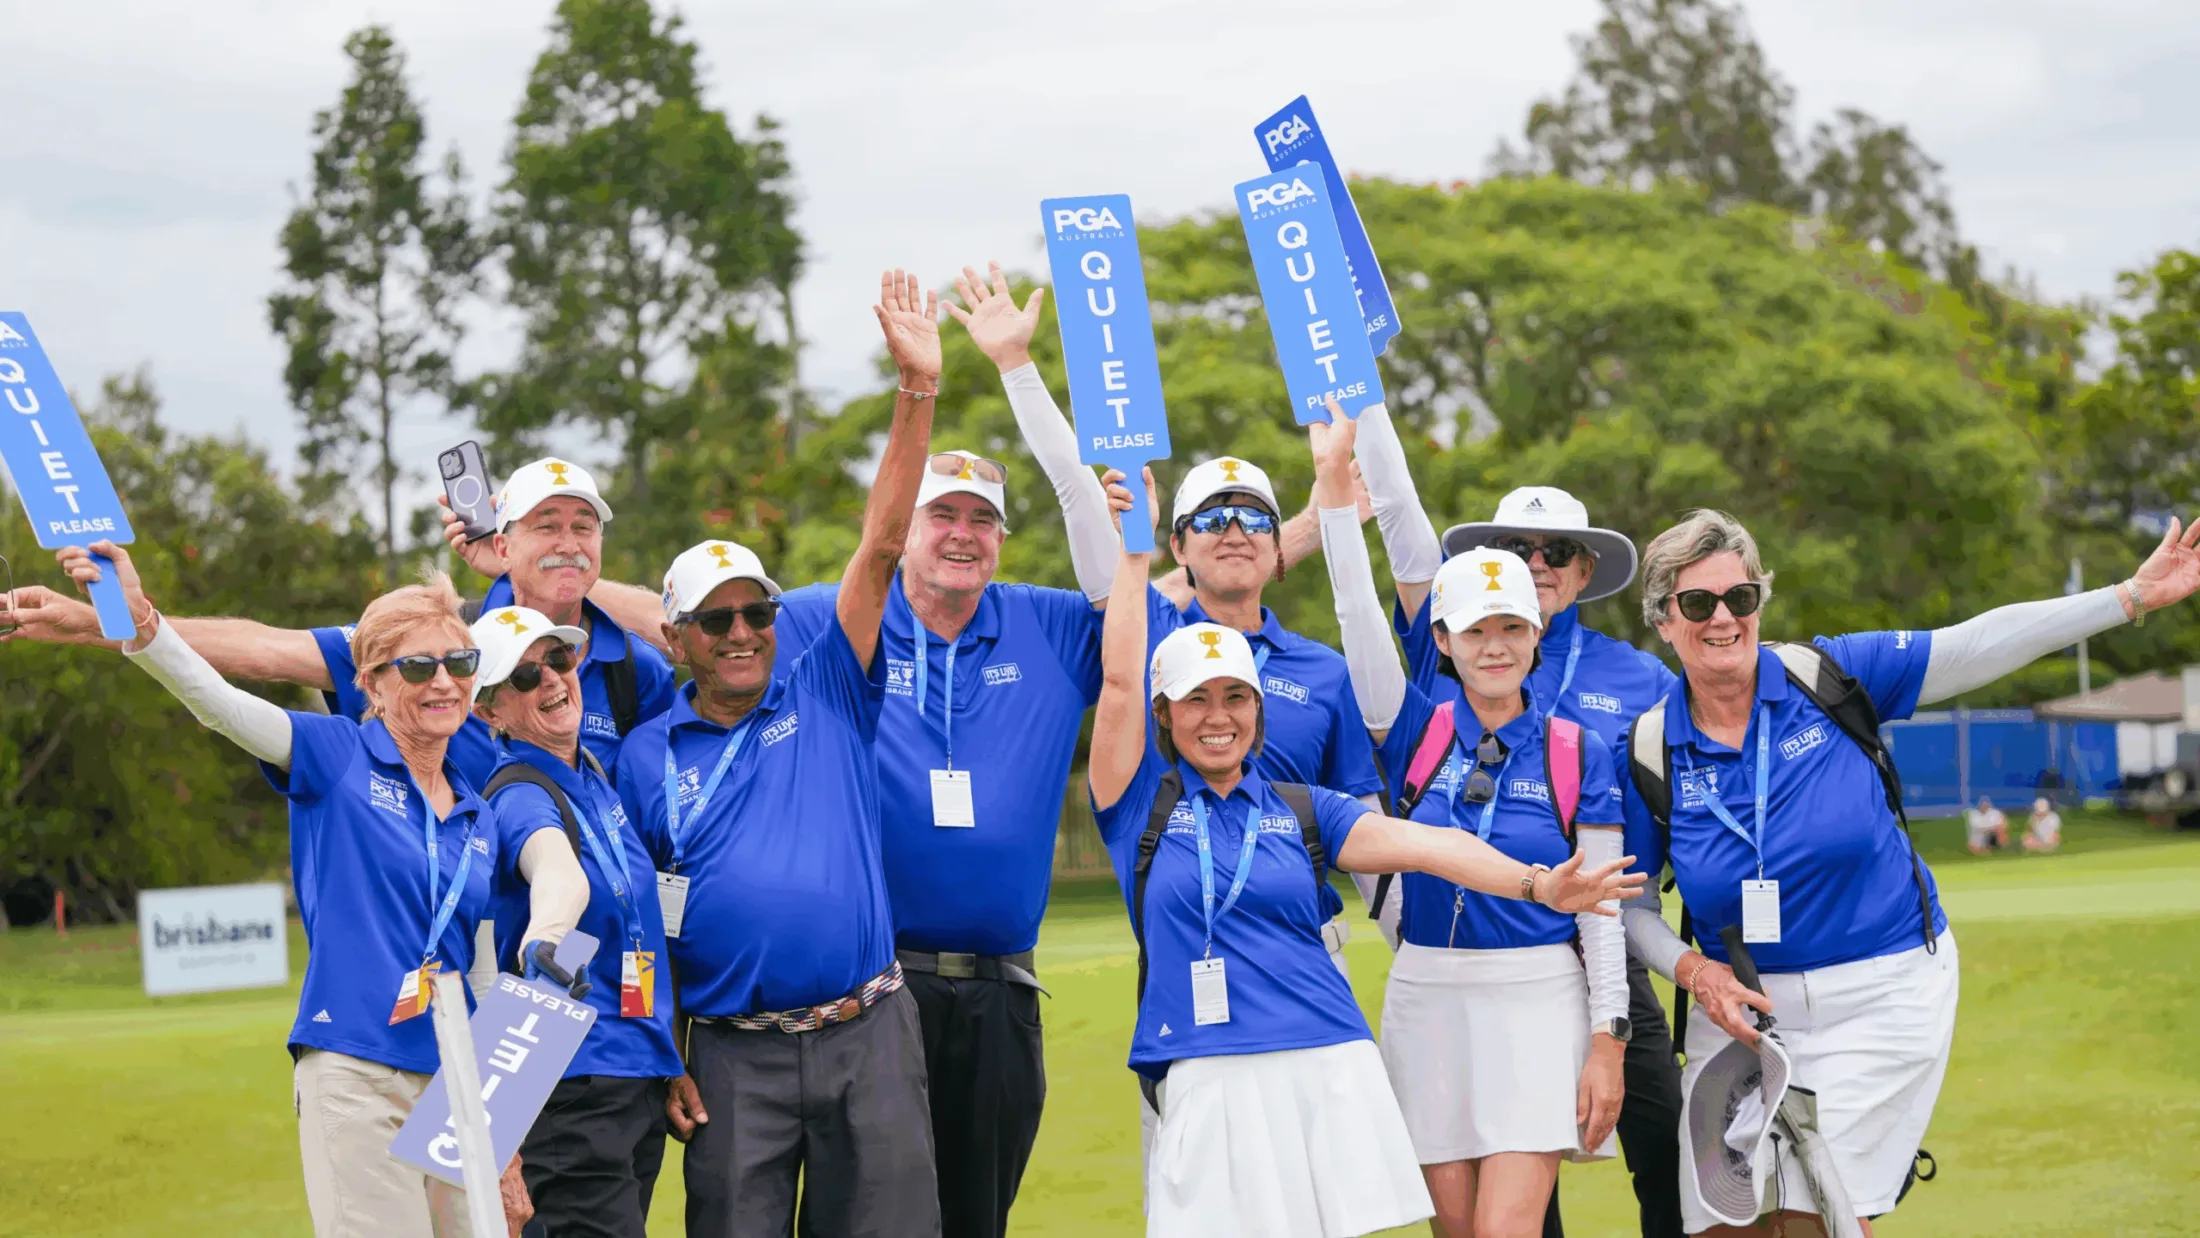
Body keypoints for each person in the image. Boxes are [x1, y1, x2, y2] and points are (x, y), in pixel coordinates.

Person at [1088, 467, 1646, 1237]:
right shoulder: (1138, 808)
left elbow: (1424, 846)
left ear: (1259, 707)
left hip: (1324, 1050)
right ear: (1166, 714)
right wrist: (1132, 548)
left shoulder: (1304, 809)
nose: (1217, 717)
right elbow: (1120, 680)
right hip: (1207, 1062)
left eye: (1236, 697)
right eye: (1196, 700)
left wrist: (1539, 887)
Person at [1618, 508, 2200, 1235]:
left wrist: (2128, 597)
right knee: (1720, 1225)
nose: (1724, 619)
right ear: (1663, 621)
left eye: (1741, 598)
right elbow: (1632, 908)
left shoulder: (1828, 677)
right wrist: (1693, 973)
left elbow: (1977, 643)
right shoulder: (1648, 746)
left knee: (1814, 1218)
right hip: (1737, 1013)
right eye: (1698, 604)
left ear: (1760, 602)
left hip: (1880, 992)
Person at [46, 541, 583, 1237]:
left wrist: (501, 1138)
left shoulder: (477, 809)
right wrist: (143, 624)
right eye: (418, 666)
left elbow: (475, 966)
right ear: (373, 682)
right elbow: (219, 705)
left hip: (457, 1084)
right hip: (356, 1069)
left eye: (459, 663)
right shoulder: (336, 753)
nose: (443, 681)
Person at [745, 263, 1116, 1237]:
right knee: (866, 1217)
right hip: (875, 991)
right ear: (905, 524)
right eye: (940, 513)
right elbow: (701, 625)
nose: (959, 533)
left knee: (976, 1220)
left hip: (999, 993)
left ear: (1000, 538)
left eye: (979, 520)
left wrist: (1327, 510)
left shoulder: (1049, 626)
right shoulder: (835, 619)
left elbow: (1139, 569)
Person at [613, 269, 943, 1238]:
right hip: (728, 1056)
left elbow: (881, 546)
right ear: (673, 639)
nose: (744, 630)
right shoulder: (642, 757)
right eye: (715, 619)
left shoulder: (829, 681)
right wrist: (659, 1047)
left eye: (758, 609)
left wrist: (916, 389)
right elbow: (639, 919)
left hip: (869, 1030)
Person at [1348, 397, 1686, 1238]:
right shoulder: (1426, 709)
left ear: (1571, 583)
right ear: (1450, 636)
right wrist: (1346, 454)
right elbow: (1373, 586)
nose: (1493, 643)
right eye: (1515, 551)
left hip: (1581, 963)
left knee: (1668, 1163)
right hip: (1433, 984)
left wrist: (1615, 1024)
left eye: (1556, 552)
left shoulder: (1633, 681)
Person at [0, 455, 676, 784]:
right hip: (464, 949)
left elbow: (686, 623)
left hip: (592, 964)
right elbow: (266, 651)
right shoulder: (442, 635)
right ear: (501, 546)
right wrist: (100, 620)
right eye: (546, 526)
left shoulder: (634, 665)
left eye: (583, 527)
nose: (568, 541)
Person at [470, 605, 682, 1238]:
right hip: (570, 1082)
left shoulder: (589, 774)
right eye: (525, 676)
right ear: (489, 711)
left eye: (559, 659)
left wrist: (668, 1059)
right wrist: (548, 936)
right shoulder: (518, 794)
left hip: (631, 1073)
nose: (554, 680)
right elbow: (558, 873)